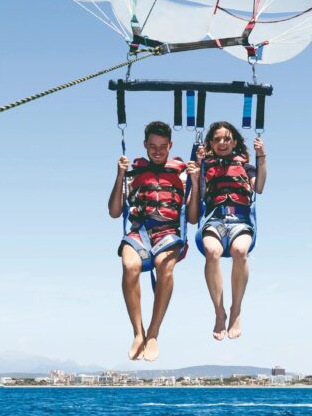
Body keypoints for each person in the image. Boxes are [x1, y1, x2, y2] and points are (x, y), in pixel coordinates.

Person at [108, 121, 198, 361]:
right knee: (129, 266)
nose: (157, 151)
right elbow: (115, 212)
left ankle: (153, 333)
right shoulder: (133, 173)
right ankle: (138, 333)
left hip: (168, 234)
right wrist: (120, 175)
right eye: (152, 146)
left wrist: (196, 180)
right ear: (145, 145)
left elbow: (192, 217)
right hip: (139, 233)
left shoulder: (182, 174)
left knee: (164, 266)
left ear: (170, 146)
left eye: (162, 146)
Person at [188, 121, 266, 341]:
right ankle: (219, 312)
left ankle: (236, 311)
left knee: (240, 251)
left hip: (240, 220)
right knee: (212, 251)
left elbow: (259, 187)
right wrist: (197, 170)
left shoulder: (246, 166)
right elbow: (197, 202)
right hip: (215, 220)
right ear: (211, 143)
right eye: (217, 139)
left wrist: (261, 156)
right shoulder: (205, 166)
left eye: (227, 139)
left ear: (234, 142)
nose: (222, 143)